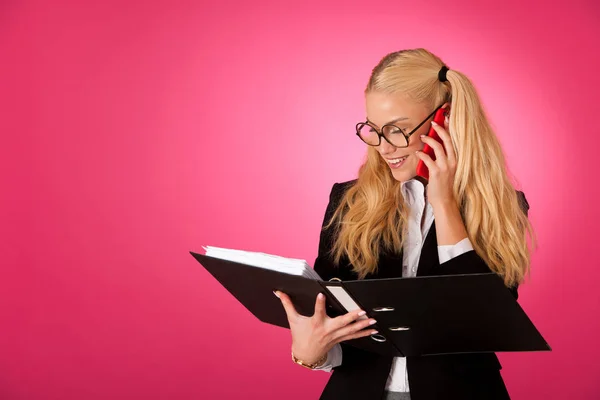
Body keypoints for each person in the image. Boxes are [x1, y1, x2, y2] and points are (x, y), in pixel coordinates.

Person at [274, 48, 535, 400]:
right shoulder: (350, 202)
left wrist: (444, 204)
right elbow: (334, 320)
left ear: (444, 120)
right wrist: (310, 353)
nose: (383, 146)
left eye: (397, 129)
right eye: (374, 129)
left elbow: (481, 320)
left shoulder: (500, 207)